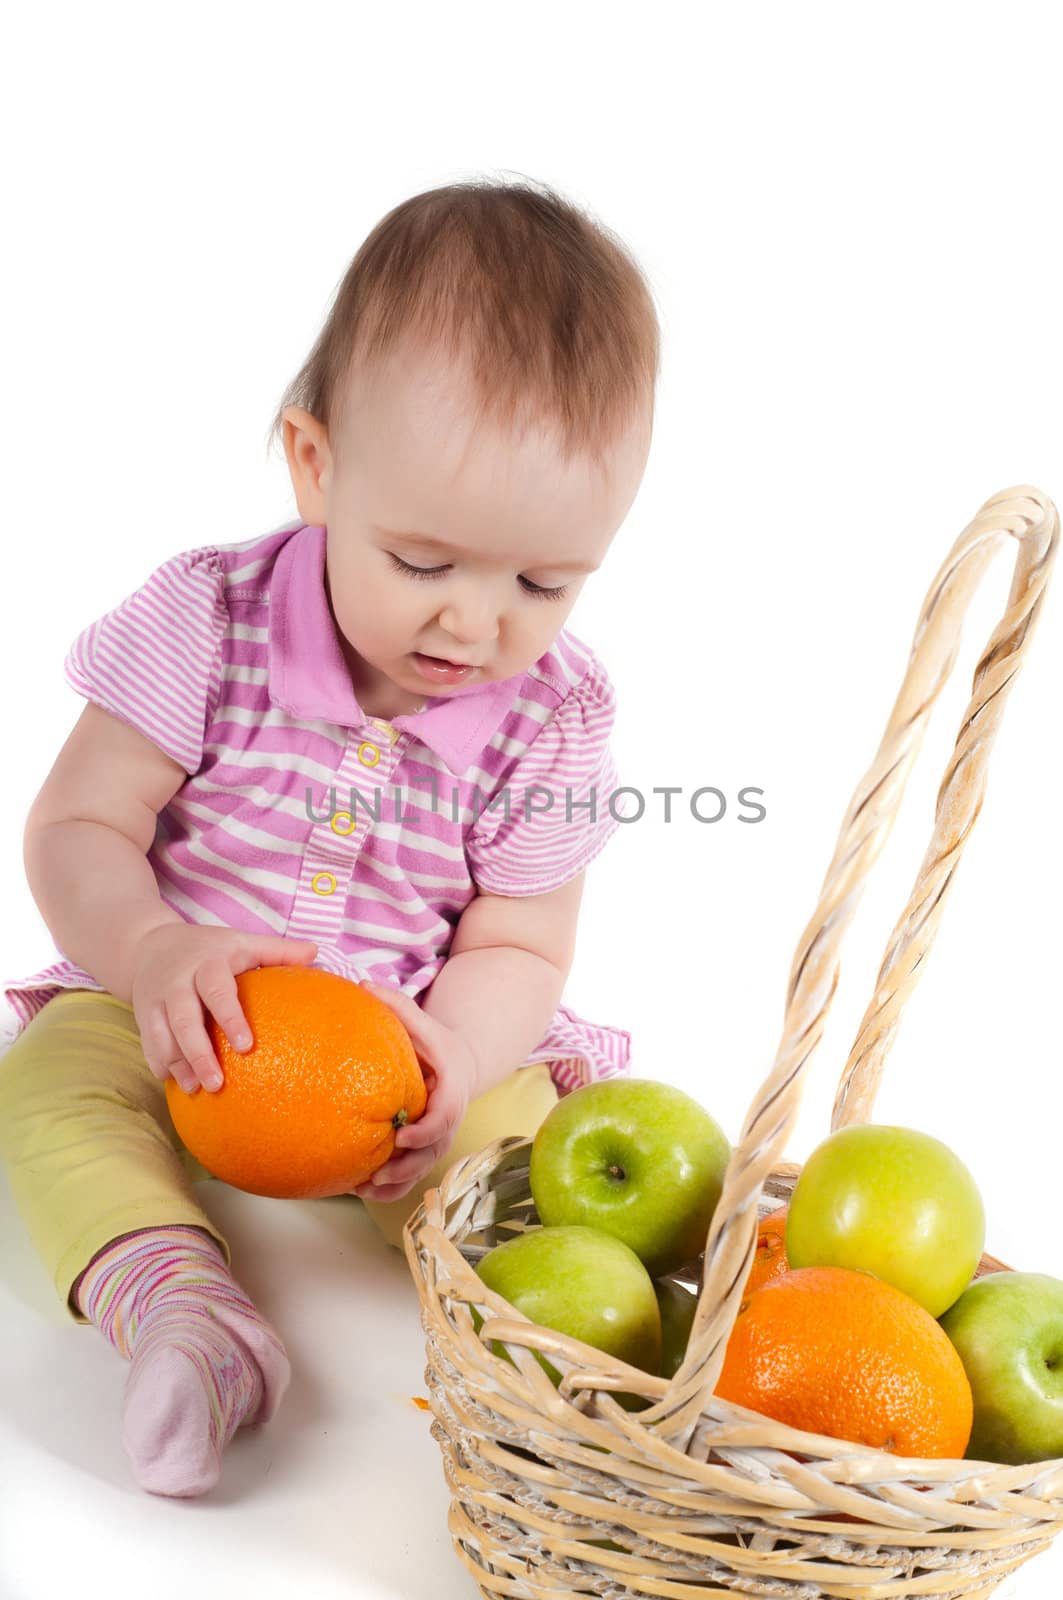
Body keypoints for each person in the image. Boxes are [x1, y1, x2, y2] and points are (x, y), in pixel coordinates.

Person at [0, 175, 659, 1498]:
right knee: (49, 1091)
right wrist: (148, 950)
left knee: (522, 1173)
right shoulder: (207, 619)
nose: (475, 626)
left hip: (402, 1041)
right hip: (174, 1005)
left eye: (542, 582)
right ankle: (180, 1309)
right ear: (316, 467)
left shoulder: (555, 714)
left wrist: (459, 1059)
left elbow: (523, 939)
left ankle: (556, 1383)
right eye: (424, 563)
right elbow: (78, 822)